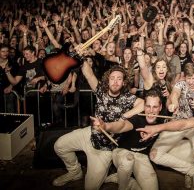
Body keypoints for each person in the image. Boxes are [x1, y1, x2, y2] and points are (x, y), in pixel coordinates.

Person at [52, 56, 144, 190]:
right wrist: (81, 57)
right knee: (59, 145)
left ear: (124, 82)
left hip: (103, 150)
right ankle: (75, 172)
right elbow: (88, 74)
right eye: (112, 78)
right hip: (89, 135)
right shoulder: (101, 91)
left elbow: (143, 104)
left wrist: (125, 115)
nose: (115, 82)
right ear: (108, 80)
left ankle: (113, 176)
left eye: (119, 79)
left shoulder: (126, 98)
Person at [150, 63, 194, 189]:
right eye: (188, 78)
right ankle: (190, 170)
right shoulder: (180, 84)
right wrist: (173, 104)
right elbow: (174, 94)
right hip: (177, 123)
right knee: (154, 155)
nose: (191, 82)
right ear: (185, 77)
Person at [90, 89, 164, 190]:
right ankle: (122, 182)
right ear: (144, 106)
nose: (151, 111)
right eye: (148, 106)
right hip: (122, 152)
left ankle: (123, 178)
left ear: (160, 107)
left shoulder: (163, 120)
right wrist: (106, 126)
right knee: (127, 160)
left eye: (155, 107)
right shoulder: (137, 118)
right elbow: (122, 126)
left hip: (142, 156)